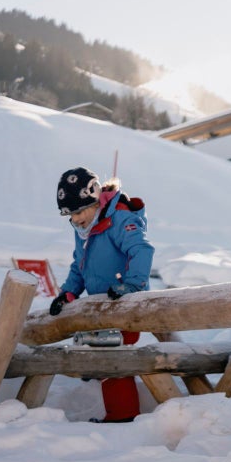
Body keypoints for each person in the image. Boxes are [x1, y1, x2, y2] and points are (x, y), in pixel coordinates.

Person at [49, 167, 155, 423]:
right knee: (99, 353)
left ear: (94, 200)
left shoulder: (120, 218)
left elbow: (141, 250)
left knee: (113, 358)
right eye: (69, 215)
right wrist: (68, 293)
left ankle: (123, 416)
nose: (75, 220)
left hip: (127, 303)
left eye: (78, 212)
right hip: (104, 305)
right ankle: (100, 390)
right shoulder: (85, 228)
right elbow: (80, 264)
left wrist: (131, 285)